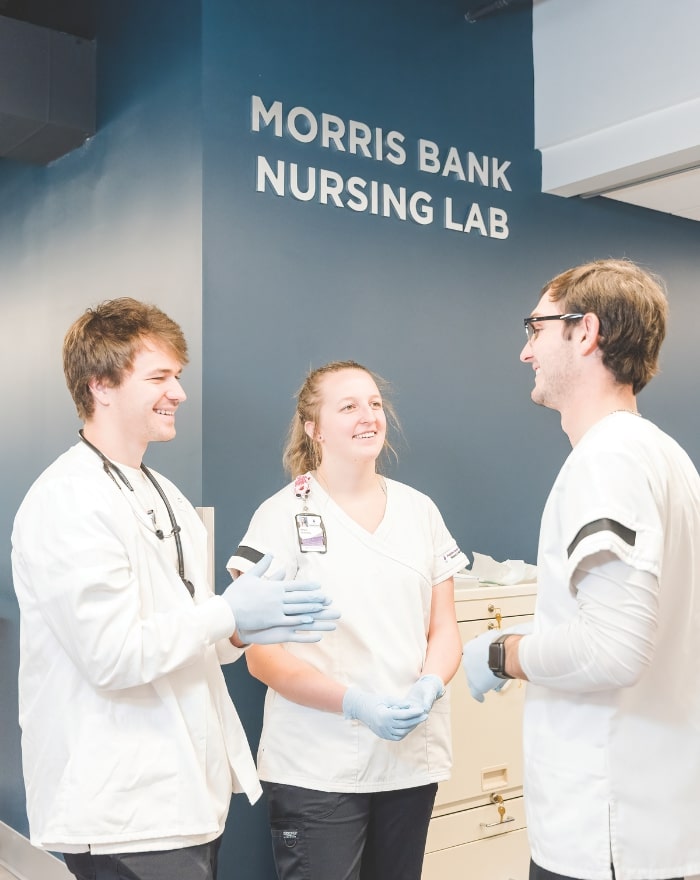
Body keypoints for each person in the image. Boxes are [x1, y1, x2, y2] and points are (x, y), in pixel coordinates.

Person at [11, 298, 339, 880]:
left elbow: (186, 634)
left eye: (178, 377)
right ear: (101, 387)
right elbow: (112, 655)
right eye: (159, 377)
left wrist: (241, 628)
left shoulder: (166, 493)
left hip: (185, 796)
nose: (179, 393)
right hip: (122, 803)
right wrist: (224, 614)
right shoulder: (68, 499)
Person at [461, 259, 700, 880]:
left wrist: (502, 652)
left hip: (604, 833)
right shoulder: (664, 456)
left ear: (584, 331)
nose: (525, 351)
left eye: (535, 328)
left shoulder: (609, 460)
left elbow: (613, 651)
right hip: (649, 823)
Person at [227, 360, 467, 880]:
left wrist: (430, 683)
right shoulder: (281, 516)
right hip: (318, 767)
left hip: (408, 761)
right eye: (349, 406)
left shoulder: (419, 511)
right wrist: (353, 703)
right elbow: (261, 658)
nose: (368, 416)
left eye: (375, 404)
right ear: (313, 427)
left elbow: (444, 627)